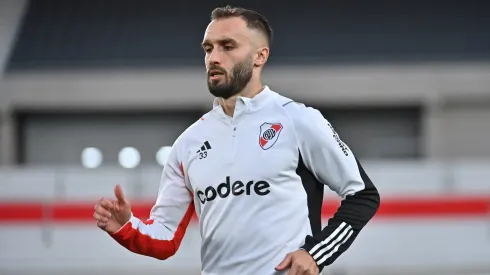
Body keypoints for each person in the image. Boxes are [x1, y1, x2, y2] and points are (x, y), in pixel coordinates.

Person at [93, 5, 380, 275]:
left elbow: (362, 195)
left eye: (227, 46)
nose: (213, 58)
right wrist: (125, 227)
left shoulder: (298, 120)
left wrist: (316, 253)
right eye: (208, 48)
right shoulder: (188, 143)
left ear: (260, 56)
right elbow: (165, 238)